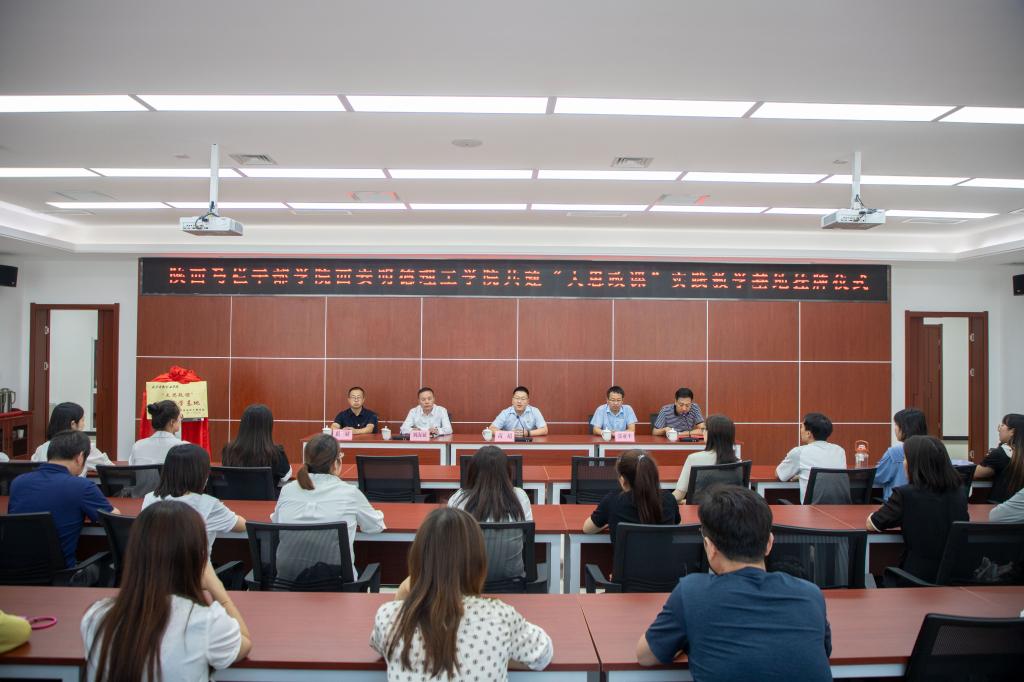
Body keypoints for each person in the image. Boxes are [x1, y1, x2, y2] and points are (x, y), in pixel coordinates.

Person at [637, 486, 832, 681]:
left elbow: (646, 656)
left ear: (709, 547)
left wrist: (684, 638)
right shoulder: (811, 595)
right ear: (769, 543)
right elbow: (822, 652)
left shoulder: (692, 594)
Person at [370, 508, 553, 680]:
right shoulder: (501, 617)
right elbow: (543, 655)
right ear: (479, 561)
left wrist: (406, 589)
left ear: (417, 557)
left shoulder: (388, 617)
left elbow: (382, 646)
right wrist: (503, 653)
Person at [81, 501, 251, 681]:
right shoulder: (204, 622)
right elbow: (244, 643)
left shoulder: (95, 617)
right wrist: (217, 589)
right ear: (196, 557)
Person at [272, 434, 385, 576]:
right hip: (336, 583)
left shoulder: (287, 490)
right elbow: (375, 526)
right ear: (335, 462)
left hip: (287, 582)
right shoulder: (350, 493)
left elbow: (275, 521)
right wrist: (378, 513)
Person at [867, 435, 969, 584]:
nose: (903, 463)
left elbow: (873, 523)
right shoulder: (959, 492)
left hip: (916, 580)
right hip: (957, 578)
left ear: (916, 464)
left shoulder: (905, 494)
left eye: (905, 459)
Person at [9, 430, 118, 567]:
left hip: (12, 572)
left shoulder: (18, 483)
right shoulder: (82, 487)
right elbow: (113, 519)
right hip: (60, 574)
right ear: (80, 457)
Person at [449, 445, 533, 582]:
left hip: (468, 582)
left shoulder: (458, 499)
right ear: (507, 472)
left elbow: (451, 540)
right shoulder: (520, 496)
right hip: (513, 580)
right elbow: (525, 535)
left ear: (472, 471)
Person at [142, 444, 246, 554]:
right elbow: (242, 526)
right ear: (201, 474)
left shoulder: (149, 498)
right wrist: (222, 510)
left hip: (156, 564)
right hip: (196, 565)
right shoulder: (208, 505)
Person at [584, 450, 680, 550]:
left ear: (622, 480)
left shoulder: (612, 501)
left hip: (627, 561)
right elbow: (676, 524)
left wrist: (608, 522)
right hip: (665, 560)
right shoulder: (669, 499)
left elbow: (587, 529)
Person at [775, 412, 847, 503]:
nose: (800, 430)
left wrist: (800, 475)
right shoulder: (839, 451)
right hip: (841, 509)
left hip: (811, 510)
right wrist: (803, 475)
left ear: (808, 433)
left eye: (801, 427)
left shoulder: (799, 452)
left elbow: (780, 475)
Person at [31, 402, 113, 476]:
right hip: (74, 487)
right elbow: (110, 469)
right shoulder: (85, 447)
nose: (84, 424)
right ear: (73, 424)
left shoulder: (41, 449)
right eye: (82, 420)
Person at [673, 414, 739, 502]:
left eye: (704, 429)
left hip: (701, 509)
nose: (703, 432)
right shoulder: (738, 462)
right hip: (730, 509)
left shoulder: (694, 459)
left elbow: (678, 495)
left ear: (711, 434)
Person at [222, 404, 292, 484]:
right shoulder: (277, 453)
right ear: (269, 426)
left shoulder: (228, 451)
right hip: (266, 492)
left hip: (234, 492)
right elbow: (285, 478)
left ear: (243, 424)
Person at [874, 408, 928, 501]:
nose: (895, 428)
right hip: (929, 503)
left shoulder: (895, 452)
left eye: (896, 424)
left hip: (898, 503)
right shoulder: (935, 449)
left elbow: (878, 477)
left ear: (905, 428)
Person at [974, 413, 1024, 504]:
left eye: (1003, 425)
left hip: (1001, 505)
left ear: (1012, 431)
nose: (999, 429)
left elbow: (976, 473)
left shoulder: (1001, 453)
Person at [129, 400, 185, 466]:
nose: (181, 420)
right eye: (180, 417)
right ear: (172, 422)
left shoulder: (138, 446)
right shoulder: (184, 448)